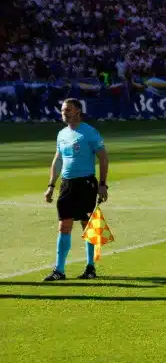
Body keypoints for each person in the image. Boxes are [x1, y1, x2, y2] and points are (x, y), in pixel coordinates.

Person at [43, 98, 108, 281]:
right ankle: (59, 270)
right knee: (64, 225)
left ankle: (90, 267)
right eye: (63, 109)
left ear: (78, 112)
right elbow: (58, 161)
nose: (64, 113)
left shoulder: (89, 132)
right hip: (67, 184)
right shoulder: (62, 134)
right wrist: (51, 186)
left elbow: (103, 158)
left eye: (68, 110)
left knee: (88, 225)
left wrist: (102, 184)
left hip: (86, 183)